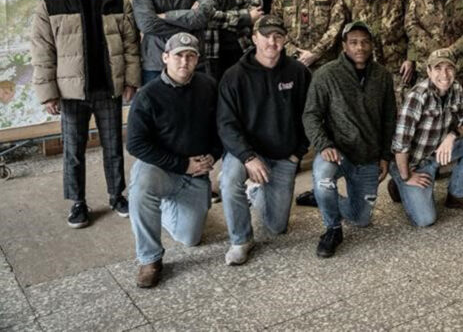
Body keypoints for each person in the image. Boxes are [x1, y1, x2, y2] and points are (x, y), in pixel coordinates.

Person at [31, 0, 140, 228]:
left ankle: (117, 195)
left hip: (108, 88)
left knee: (113, 147)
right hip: (71, 93)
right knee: (73, 150)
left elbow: (131, 43)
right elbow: (42, 52)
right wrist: (48, 94)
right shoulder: (52, 4)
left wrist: (131, 80)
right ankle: (78, 202)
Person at [126, 33, 220, 288]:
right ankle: (149, 258)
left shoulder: (208, 87)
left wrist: (213, 154)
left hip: (196, 173)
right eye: (178, 55)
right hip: (161, 169)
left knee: (190, 239)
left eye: (190, 56)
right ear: (165, 57)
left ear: (197, 60)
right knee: (141, 189)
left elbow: (222, 128)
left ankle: (164, 208)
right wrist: (182, 165)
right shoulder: (148, 95)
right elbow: (135, 144)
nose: (184, 62)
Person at [217, 16, 310, 265]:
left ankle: (256, 190)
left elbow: (310, 116)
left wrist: (297, 153)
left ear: (285, 39)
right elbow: (226, 124)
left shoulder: (298, 72)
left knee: (277, 227)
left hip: (284, 155)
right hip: (247, 152)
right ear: (254, 38)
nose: (272, 42)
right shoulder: (234, 76)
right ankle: (241, 240)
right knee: (229, 181)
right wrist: (248, 157)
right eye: (266, 36)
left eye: (278, 36)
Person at [302, 22, 397, 258]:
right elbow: (311, 115)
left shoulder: (383, 76)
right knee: (324, 179)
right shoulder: (326, 74)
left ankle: (322, 198)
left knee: (360, 218)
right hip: (337, 151)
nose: (360, 47)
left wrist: (385, 156)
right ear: (344, 45)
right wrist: (324, 144)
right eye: (353, 42)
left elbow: (389, 119)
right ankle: (332, 229)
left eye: (365, 42)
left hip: (367, 156)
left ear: (371, 45)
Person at [389, 49, 463, 226]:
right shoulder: (417, 96)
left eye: (449, 68)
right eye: (438, 68)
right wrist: (406, 176)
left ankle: (456, 194)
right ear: (428, 71)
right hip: (413, 164)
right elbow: (400, 144)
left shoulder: (455, 87)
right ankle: (399, 182)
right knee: (425, 220)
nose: (444, 74)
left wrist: (453, 135)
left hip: (437, 153)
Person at [341, 0, 414, 98]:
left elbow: (413, 27)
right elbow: (343, 32)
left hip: (397, 67)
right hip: (363, 66)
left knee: (397, 111)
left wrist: (411, 58)